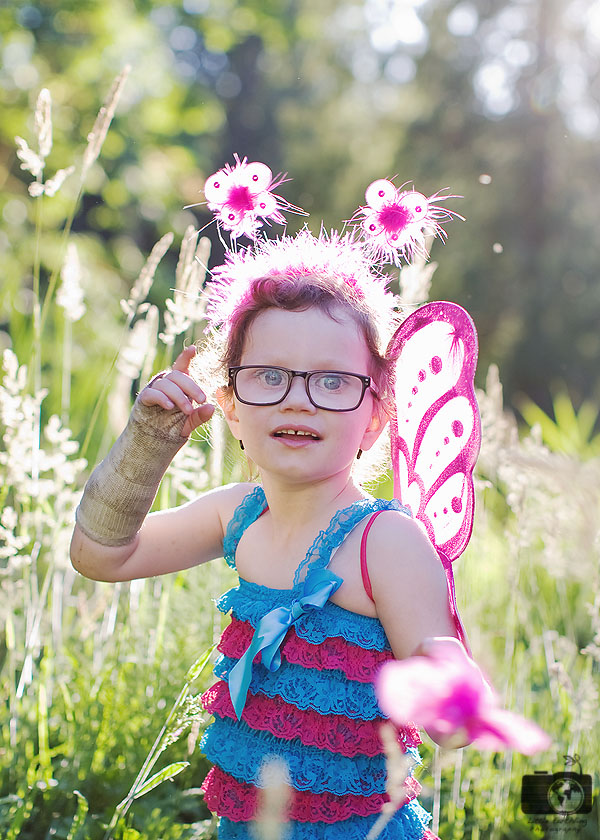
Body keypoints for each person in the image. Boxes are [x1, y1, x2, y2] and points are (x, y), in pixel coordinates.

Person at [71, 222, 471, 838]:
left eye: (333, 380)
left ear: (376, 416)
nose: (299, 400)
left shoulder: (383, 542)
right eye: (269, 375)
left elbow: (449, 718)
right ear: (229, 403)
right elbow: (100, 557)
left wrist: (448, 677)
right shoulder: (238, 515)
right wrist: (145, 447)